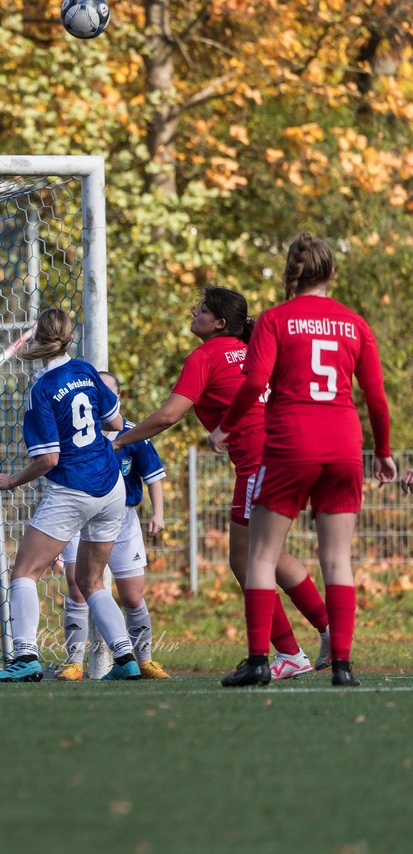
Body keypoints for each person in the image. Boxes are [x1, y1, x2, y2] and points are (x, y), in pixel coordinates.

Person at [113, 286, 330, 681]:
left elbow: (167, 416)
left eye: (202, 308)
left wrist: (121, 440)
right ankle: (330, 631)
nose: (194, 311)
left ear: (220, 322)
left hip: (259, 465)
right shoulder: (254, 351)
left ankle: (290, 653)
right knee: (272, 556)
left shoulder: (205, 356)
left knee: (245, 560)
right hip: (289, 455)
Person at [210, 233, 395, 687]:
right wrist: (384, 453)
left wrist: (226, 426)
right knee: (336, 558)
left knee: (261, 553)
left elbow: (253, 385)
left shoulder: (275, 320)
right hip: (344, 444)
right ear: (332, 272)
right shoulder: (355, 324)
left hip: (292, 442)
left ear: (291, 274)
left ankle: (259, 661)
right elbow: (375, 398)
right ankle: (344, 667)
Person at [0, 308, 140, 682]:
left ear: (36, 337)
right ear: (69, 336)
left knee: (24, 571)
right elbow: (116, 422)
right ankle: (126, 659)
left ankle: (25, 657)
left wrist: (11, 481)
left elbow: (48, 458)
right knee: (91, 581)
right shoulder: (87, 370)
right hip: (111, 487)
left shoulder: (42, 388)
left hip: (73, 488)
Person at [56, 371, 169, 681]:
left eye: (107, 393)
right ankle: (74, 663)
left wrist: (158, 512)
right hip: (80, 518)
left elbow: (153, 475)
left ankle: (144, 659)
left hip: (124, 522)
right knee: (78, 588)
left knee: (132, 596)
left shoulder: (133, 434)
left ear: (116, 399)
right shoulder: (74, 434)